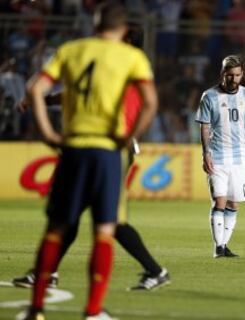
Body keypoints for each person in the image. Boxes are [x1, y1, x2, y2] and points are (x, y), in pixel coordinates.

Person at [19, 3, 158, 320]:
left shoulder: (71, 50)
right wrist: (130, 136)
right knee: (104, 230)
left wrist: (48, 134)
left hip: (72, 149)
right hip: (107, 150)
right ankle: (93, 311)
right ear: (123, 30)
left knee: (55, 228)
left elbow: (34, 88)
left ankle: (35, 309)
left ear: (94, 25)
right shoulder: (132, 56)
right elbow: (151, 102)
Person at [195, 54, 245, 258]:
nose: (234, 79)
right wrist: (205, 153)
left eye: (238, 75)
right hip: (217, 156)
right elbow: (204, 127)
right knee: (219, 201)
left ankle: (223, 245)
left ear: (242, 74)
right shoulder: (209, 96)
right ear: (222, 73)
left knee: (234, 204)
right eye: (230, 75)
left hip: (239, 157)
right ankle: (218, 247)